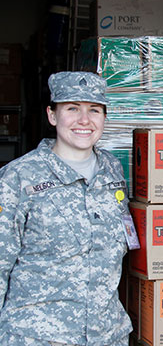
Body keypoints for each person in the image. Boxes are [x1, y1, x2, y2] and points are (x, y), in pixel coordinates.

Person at [0, 71, 136, 345]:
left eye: (94, 110)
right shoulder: (19, 177)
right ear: (52, 115)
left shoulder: (112, 170)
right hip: (38, 336)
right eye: (72, 108)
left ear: (104, 118)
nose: (84, 120)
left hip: (108, 335)